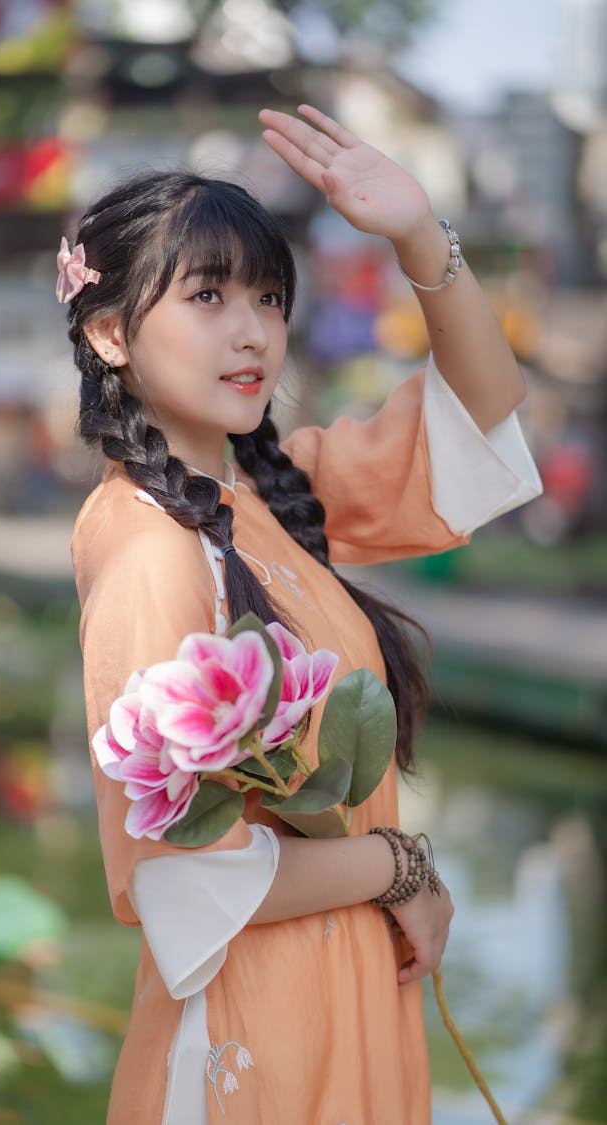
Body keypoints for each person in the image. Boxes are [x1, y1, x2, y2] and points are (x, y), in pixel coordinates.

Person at [63, 105, 542, 1124]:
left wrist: (420, 238)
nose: (251, 331)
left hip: (348, 1005)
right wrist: (397, 864)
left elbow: (481, 417)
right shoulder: (148, 550)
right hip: (251, 1044)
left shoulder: (274, 498)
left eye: (269, 298)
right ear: (110, 331)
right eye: (207, 295)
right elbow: (178, 882)